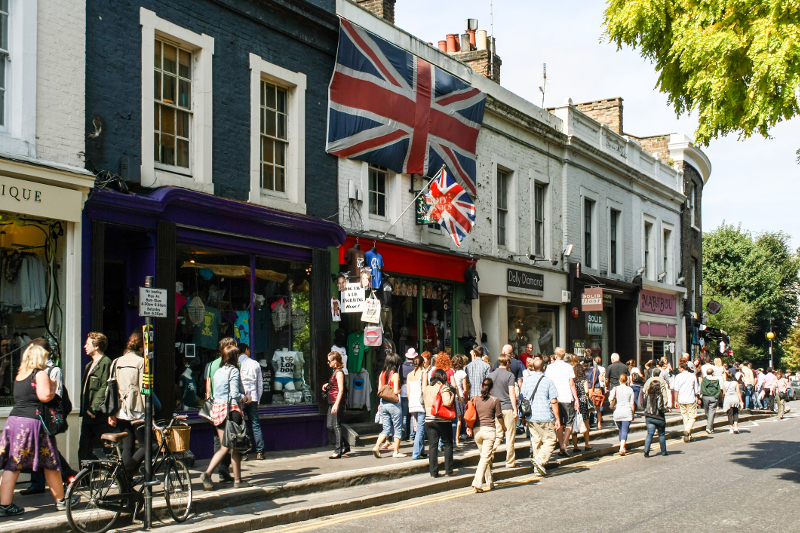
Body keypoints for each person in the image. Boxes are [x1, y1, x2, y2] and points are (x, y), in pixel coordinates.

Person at [0, 345, 69, 516]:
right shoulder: (39, 373)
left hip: (14, 421)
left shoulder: (20, 375)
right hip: (32, 423)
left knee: (12, 464)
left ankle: (5, 505)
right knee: (51, 462)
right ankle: (61, 501)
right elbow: (45, 396)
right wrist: (53, 386)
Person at [21, 338, 76, 495]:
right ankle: (39, 483)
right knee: (40, 449)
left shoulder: (54, 370)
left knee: (46, 450)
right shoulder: (32, 369)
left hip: (45, 415)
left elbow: (55, 396)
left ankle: (68, 476)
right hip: (34, 415)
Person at [200, 345, 249, 490]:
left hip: (218, 410)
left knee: (224, 446)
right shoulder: (233, 371)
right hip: (231, 410)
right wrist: (245, 398)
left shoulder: (218, 372)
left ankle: (208, 473)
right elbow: (235, 394)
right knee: (236, 447)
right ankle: (238, 481)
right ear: (234, 357)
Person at [107, 332, 146, 476]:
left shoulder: (117, 361)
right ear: (141, 347)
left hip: (121, 410)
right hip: (137, 409)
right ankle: (124, 473)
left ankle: (125, 485)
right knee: (145, 446)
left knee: (127, 447)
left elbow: (111, 387)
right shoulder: (142, 362)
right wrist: (149, 413)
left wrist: (112, 413)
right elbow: (144, 389)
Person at [520, 358, 560, 476]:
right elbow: (553, 401)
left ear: (533, 367)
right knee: (551, 440)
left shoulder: (527, 380)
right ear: (544, 368)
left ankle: (537, 468)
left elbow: (523, 400)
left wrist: (523, 417)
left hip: (531, 416)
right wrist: (557, 418)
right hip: (545, 416)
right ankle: (539, 460)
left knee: (536, 441)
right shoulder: (548, 381)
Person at [206, 337, 237, 482]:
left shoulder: (211, 365)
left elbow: (208, 388)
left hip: (215, 406)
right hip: (228, 407)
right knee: (230, 443)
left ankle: (218, 471)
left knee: (217, 442)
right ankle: (223, 470)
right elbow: (235, 388)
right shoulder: (233, 365)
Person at [79, 332, 112, 462]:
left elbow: (105, 387)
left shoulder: (105, 363)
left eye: (88, 344)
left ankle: (115, 475)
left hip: (97, 415)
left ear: (96, 346)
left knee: (105, 448)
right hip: (87, 414)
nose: (85, 346)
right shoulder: (89, 365)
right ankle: (85, 480)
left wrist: (94, 408)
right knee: (84, 448)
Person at [468, 378, 505, 492]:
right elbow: (499, 416)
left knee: (484, 457)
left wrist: (469, 427)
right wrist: (504, 427)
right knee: (485, 457)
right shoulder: (495, 400)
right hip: (489, 431)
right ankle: (477, 483)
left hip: (477, 431)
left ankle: (490, 482)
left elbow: (471, 414)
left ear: (481, 385)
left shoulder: (475, 399)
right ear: (492, 387)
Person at [545, 347, 579, 457]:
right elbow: (571, 384)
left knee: (558, 422)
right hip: (566, 397)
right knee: (569, 423)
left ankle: (561, 446)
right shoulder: (568, 367)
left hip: (554, 398)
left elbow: (547, 383)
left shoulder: (549, 368)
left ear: (555, 355)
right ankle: (564, 444)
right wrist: (576, 398)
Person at [422, 369, 455, 477]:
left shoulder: (427, 388)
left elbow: (422, 401)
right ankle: (449, 471)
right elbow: (447, 403)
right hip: (442, 420)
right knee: (448, 444)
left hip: (429, 420)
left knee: (432, 446)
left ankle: (433, 472)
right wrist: (452, 397)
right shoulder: (444, 388)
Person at [488, 354, 519, 467]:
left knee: (497, 435)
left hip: (496, 409)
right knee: (510, 436)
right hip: (507, 407)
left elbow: (489, 393)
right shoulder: (509, 375)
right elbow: (512, 393)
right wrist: (515, 409)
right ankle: (510, 461)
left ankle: (489, 455)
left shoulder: (491, 375)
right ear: (507, 363)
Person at [373, 353, 405, 458]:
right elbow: (396, 391)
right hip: (394, 404)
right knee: (397, 428)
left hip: (383, 403)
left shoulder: (381, 374)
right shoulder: (395, 375)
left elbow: (379, 390)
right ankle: (396, 451)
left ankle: (377, 446)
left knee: (386, 428)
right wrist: (400, 389)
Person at [238, 344, 266, 460]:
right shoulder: (255, 363)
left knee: (241, 425)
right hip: (253, 396)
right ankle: (260, 452)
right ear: (246, 350)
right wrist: (258, 399)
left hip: (241, 397)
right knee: (255, 424)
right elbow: (260, 384)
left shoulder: (237, 364)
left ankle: (244, 452)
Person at [323, 352, 347, 458]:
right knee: (329, 425)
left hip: (336, 401)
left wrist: (336, 404)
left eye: (329, 361)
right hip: (331, 401)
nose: (328, 363)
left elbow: (341, 389)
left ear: (335, 361)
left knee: (336, 425)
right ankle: (345, 445)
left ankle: (338, 450)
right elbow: (335, 384)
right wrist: (328, 384)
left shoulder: (339, 373)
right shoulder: (334, 372)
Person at [642, 368, 670, 457]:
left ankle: (646, 451)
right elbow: (660, 407)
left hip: (649, 416)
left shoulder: (648, 394)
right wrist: (667, 409)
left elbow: (644, 400)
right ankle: (663, 451)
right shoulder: (660, 395)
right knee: (661, 434)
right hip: (659, 417)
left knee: (650, 433)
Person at [568, 354, 592, 452]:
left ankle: (575, 446)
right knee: (586, 423)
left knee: (574, 424)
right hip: (583, 401)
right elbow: (587, 391)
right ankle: (587, 444)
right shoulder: (584, 379)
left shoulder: (571, 379)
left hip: (574, 401)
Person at [672, 362, 700, 442]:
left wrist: (675, 401)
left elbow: (676, 390)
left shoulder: (677, 376)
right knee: (693, 417)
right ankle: (687, 430)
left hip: (681, 399)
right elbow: (696, 388)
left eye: (679, 368)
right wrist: (697, 397)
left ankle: (688, 435)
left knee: (685, 417)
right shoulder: (692, 376)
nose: (679, 369)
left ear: (682, 368)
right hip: (690, 398)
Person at [406, 352, 427, 460]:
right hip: (421, 403)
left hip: (412, 403)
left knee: (417, 427)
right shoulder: (424, 373)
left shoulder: (409, 375)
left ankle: (422, 450)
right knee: (420, 429)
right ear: (422, 363)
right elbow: (424, 390)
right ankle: (416, 453)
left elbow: (408, 393)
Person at [609, 374, 635, 455]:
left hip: (617, 412)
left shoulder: (615, 389)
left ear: (619, 380)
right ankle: (621, 448)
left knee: (621, 429)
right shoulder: (630, 390)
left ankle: (623, 447)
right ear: (627, 380)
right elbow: (632, 403)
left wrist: (612, 401)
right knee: (624, 430)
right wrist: (633, 413)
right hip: (627, 412)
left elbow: (610, 398)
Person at [452, 354, 469, 447]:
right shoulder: (462, 373)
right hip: (459, 397)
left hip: (451, 396)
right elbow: (465, 388)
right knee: (459, 419)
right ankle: (457, 439)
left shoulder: (450, 372)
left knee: (452, 419)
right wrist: (465, 398)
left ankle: (452, 438)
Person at [700, 367, 722, 434]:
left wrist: (702, 395)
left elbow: (702, 388)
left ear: (706, 373)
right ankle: (710, 427)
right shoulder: (716, 380)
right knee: (711, 413)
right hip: (713, 397)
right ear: (712, 373)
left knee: (707, 413)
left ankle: (709, 427)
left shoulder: (704, 379)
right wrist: (717, 396)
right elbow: (719, 390)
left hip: (706, 397)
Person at [400, 349, 415, 440]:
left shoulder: (401, 367)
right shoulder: (415, 367)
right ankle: (412, 435)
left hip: (404, 391)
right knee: (413, 415)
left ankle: (404, 433)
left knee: (404, 414)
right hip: (413, 391)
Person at [587, 356, 605, 429]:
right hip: (596, 389)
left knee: (588, 408)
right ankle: (599, 424)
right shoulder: (596, 369)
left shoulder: (585, 370)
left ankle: (587, 425)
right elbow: (600, 379)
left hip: (588, 389)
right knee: (598, 408)